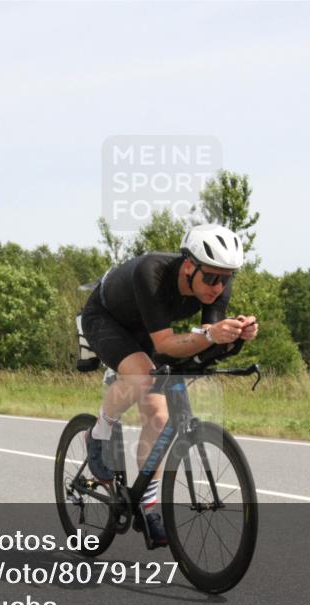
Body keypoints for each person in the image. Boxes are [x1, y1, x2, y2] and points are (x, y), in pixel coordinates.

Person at [79, 224, 259, 546]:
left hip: (147, 329)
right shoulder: (152, 272)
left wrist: (234, 337)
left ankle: (148, 505)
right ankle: (99, 432)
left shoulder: (215, 285)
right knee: (142, 376)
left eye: (226, 279)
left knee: (160, 419)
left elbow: (203, 344)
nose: (218, 288)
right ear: (189, 265)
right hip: (106, 318)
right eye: (212, 278)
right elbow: (164, 345)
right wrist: (210, 334)